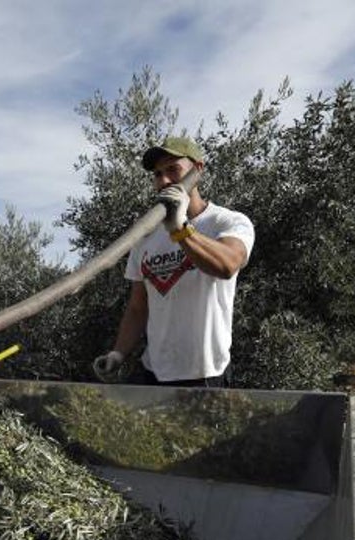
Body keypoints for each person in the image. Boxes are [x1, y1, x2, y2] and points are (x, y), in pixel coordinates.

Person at [92, 136, 254, 387]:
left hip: (206, 374)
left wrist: (180, 230)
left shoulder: (227, 222)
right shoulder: (145, 237)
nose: (164, 181)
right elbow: (138, 307)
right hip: (155, 372)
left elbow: (227, 265)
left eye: (173, 169)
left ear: (197, 170)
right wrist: (118, 353)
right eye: (157, 174)